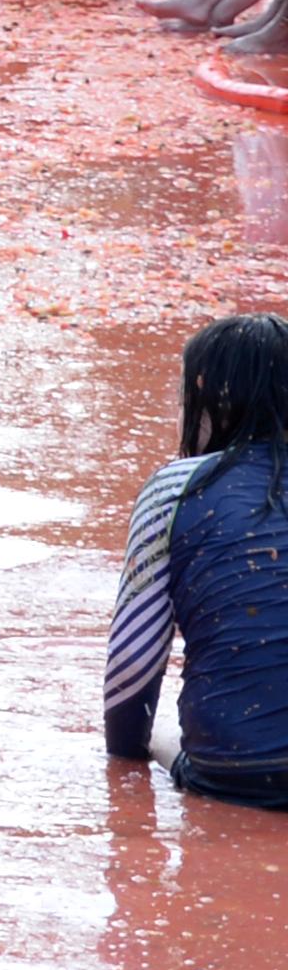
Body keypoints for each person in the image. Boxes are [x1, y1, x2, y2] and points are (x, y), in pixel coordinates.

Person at [106, 313, 288, 807]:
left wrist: (123, 768)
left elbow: (131, 663)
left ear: (213, 405)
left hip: (240, 771)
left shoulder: (175, 488)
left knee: (158, 736)